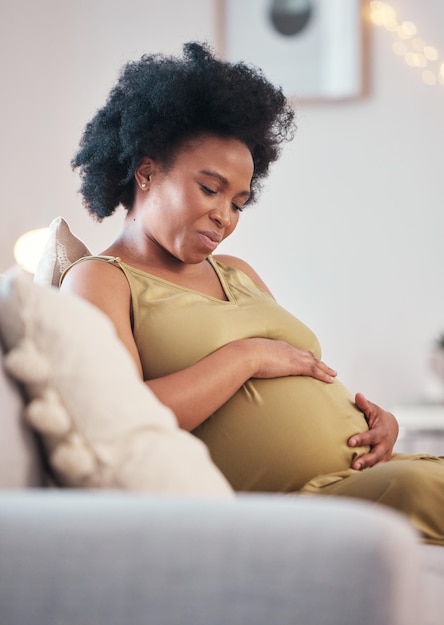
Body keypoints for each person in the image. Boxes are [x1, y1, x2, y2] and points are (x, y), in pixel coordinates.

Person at [61, 42, 444, 545]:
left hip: (369, 472)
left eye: (239, 202)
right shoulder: (101, 279)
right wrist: (246, 357)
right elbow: (122, 417)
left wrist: (379, 422)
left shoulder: (237, 271)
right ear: (147, 172)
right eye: (210, 188)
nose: (225, 216)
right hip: (293, 502)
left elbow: (304, 376)